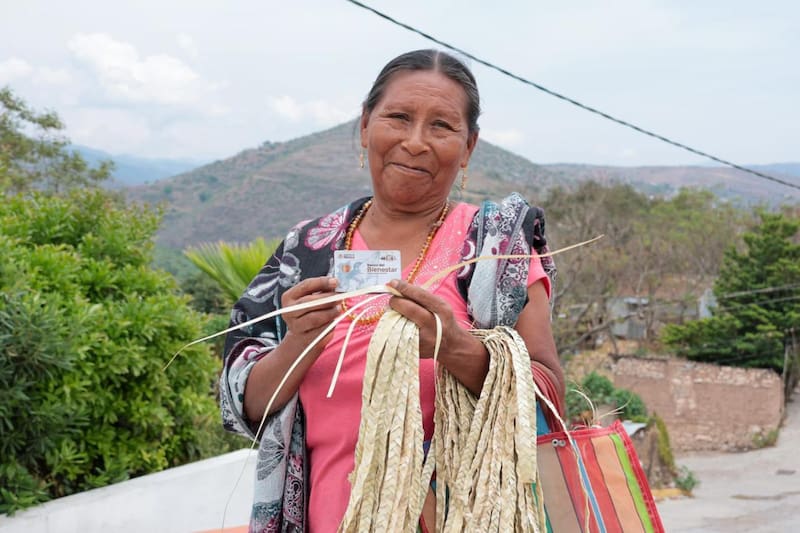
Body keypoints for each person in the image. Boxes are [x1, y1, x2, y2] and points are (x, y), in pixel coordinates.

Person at [220, 49, 565, 533]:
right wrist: (299, 343)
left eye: (442, 127)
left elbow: (550, 402)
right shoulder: (307, 249)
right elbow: (245, 406)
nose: (415, 141)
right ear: (365, 126)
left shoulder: (497, 247)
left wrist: (457, 349)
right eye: (398, 118)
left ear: (468, 148)